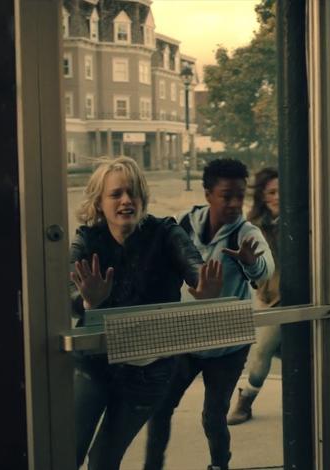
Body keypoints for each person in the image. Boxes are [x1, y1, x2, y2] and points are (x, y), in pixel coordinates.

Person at [70, 156, 224, 470]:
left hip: (148, 372)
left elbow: (195, 268)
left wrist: (203, 289)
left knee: (103, 461)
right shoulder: (88, 238)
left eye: (133, 193)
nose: (127, 200)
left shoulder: (165, 231)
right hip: (95, 365)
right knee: (66, 453)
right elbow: (63, 293)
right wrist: (88, 303)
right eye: (116, 194)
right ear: (99, 203)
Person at [144, 159, 274, 470]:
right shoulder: (185, 222)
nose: (234, 204)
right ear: (207, 194)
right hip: (186, 338)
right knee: (160, 408)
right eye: (226, 195)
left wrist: (250, 263)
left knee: (213, 415)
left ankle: (219, 465)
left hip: (228, 343)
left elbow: (265, 270)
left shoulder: (246, 233)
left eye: (240, 196)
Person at [227, 167, 281, 425]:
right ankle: (245, 400)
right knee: (262, 351)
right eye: (272, 192)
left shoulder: (302, 220)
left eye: (282, 191)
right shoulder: (255, 226)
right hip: (271, 299)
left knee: (278, 350)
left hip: (301, 297)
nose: (278, 197)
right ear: (263, 196)